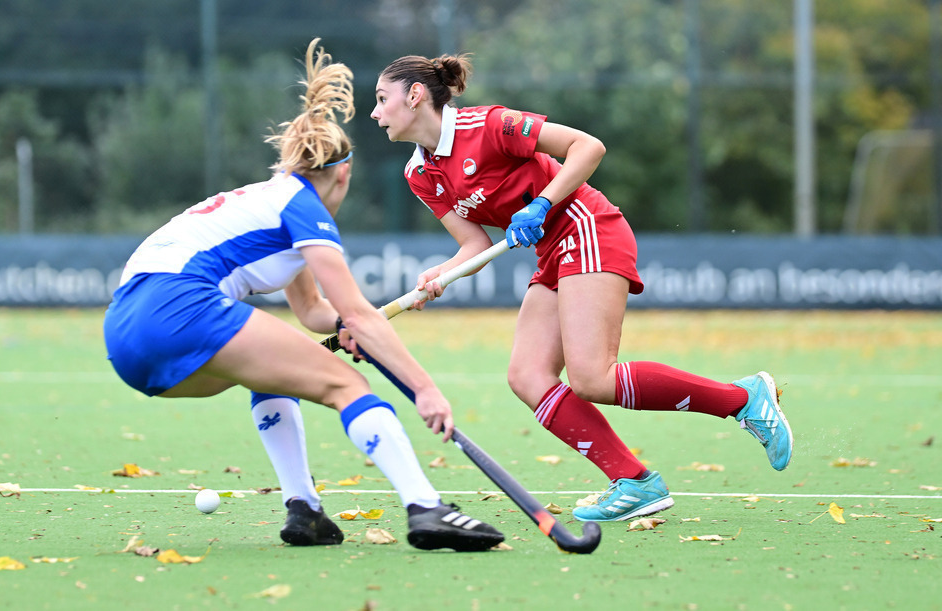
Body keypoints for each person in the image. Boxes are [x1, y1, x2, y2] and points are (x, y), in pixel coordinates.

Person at [103, 39, 504, 552]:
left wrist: (340, 325)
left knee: (272, 375)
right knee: (348, 385)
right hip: (177, 307)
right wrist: (424, 388)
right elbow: (360, 313)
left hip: (125, 334)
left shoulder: (270, 199)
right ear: (343, 172)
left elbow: (314, 310)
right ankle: (426, 507)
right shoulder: (303, 207)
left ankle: (305, 511)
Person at [368, 52, 793, 522]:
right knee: (528, 376)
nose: (375, 112)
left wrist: (542, 203)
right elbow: (474, 245)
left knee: (592, 377)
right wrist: (441, 274)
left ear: (415, 95)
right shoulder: (419, 173)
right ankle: (634, 482)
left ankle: (742, 400)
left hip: (585, 226)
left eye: (382, 99)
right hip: (551, 250)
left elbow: (588, 147)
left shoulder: (488, 125)